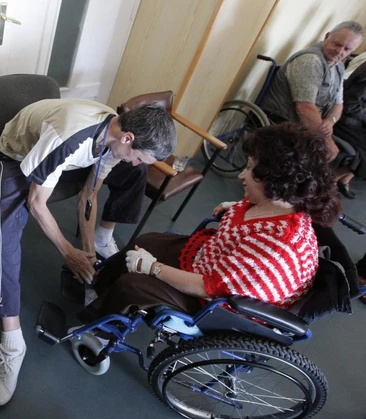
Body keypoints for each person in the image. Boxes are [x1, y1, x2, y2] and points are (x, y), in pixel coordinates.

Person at [0, 98, 177, 405]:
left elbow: (88, 195)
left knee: (134, 176)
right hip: (20, 154)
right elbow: (36, 203)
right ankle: (12, 344)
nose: (136, 161)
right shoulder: (68, 137)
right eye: (139, 156)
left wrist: (88, 255)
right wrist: (68, 252)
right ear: (128, 138)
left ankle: (100, 243)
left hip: (69, 156)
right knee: (4, 236)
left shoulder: (115, 139)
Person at [78, 122, 342, 323]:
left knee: (133, 284)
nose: (241, 175)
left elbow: (208, 287)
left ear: (274, 182)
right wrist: (236, 208)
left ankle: (97, 324)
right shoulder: (285, 202)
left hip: (216, 302)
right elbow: (261, 215)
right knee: (146, 242)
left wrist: (152, 268)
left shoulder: (275, 246)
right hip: (214, 261)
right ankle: (99, 286)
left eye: (250, 168)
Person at [260, 21, 364, 165]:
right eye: (337, 44)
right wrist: (325, 139)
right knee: (325, 154)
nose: (340, 51)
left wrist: (330, 121)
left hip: (308, 124)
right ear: (327, 36)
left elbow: (338, 104)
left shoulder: (338, 66)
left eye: (347, 49)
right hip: (283, 120)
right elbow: (304, 108)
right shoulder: (310, 61)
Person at [332, 58, 366, 198]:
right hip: (346, 121)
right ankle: (334, 177)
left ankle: (344, 178)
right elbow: (351, 105)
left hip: (358, 120)